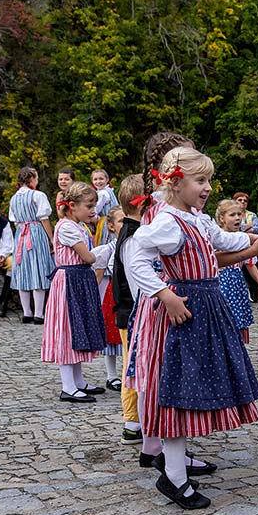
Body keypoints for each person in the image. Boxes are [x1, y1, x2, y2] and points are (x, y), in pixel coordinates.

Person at [128, 146, 258, 510]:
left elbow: (223, 242)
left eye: (208, 180)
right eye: (200, 180)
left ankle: (175, 469)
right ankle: (174, 478)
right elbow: (134, 256)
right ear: (176, 184)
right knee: (175, 393)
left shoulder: (197, 219)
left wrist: (254, 242)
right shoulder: (168, 222)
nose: (207, 188)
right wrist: (165, 295)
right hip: (183, 311)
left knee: (189, 393)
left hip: (205, 308)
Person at [41, 181, 107, 403]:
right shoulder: (67, 227)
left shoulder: (77, 226)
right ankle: (68, 386)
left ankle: (78, 381)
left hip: (78, 280)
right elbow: (87, 258)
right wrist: (105, 251)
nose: (92, 210)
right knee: (68, 330)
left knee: (77, 328)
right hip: (69, 281)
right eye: (88, 206)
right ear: (72, 206)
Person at [112, 174, 147, 445]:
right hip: (132, 312)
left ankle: (134, 422)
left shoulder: (132, 231)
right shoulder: (133, 237)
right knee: (133, 368)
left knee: (131, 366)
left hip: (129, 311)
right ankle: (133, 421)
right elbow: (138, 286)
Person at [215, 199, 258, 345]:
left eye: (239, 214)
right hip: (220, 283)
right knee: (221, 319)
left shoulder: (242, 239)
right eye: (232, 215)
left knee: (237, 319)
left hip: (237, 283)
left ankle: (236, 351)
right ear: (222, 218)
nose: (237, 217)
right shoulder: (217, 238)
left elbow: (250, 264)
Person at [9, 167, 55, 323]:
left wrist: (22, 231)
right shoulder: (38, 195)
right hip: (36, 232)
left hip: (21, 233)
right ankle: (38, 314)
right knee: (38, 270)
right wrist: (51, 238)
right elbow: (44, 218)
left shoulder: (14, 198)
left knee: (23, 271)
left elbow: (15, 222)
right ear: (32, 178)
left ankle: (27, 313)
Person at [95, 207, 124, 391]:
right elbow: (98, 273)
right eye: (122, 221)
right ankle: (111, 375)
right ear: (111, 226)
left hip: (133, 292)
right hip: (115, 293)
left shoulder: (136, 243)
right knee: (112, 335)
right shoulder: (108, 249)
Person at [92, 169, 119, 246]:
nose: (98, 181)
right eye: (95, 179)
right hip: (112, 219)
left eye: (101, 179)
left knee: (106, 240)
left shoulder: (103, 193)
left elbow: (95, 209)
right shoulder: (109, 190)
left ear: (107, 179)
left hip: (105, 220)